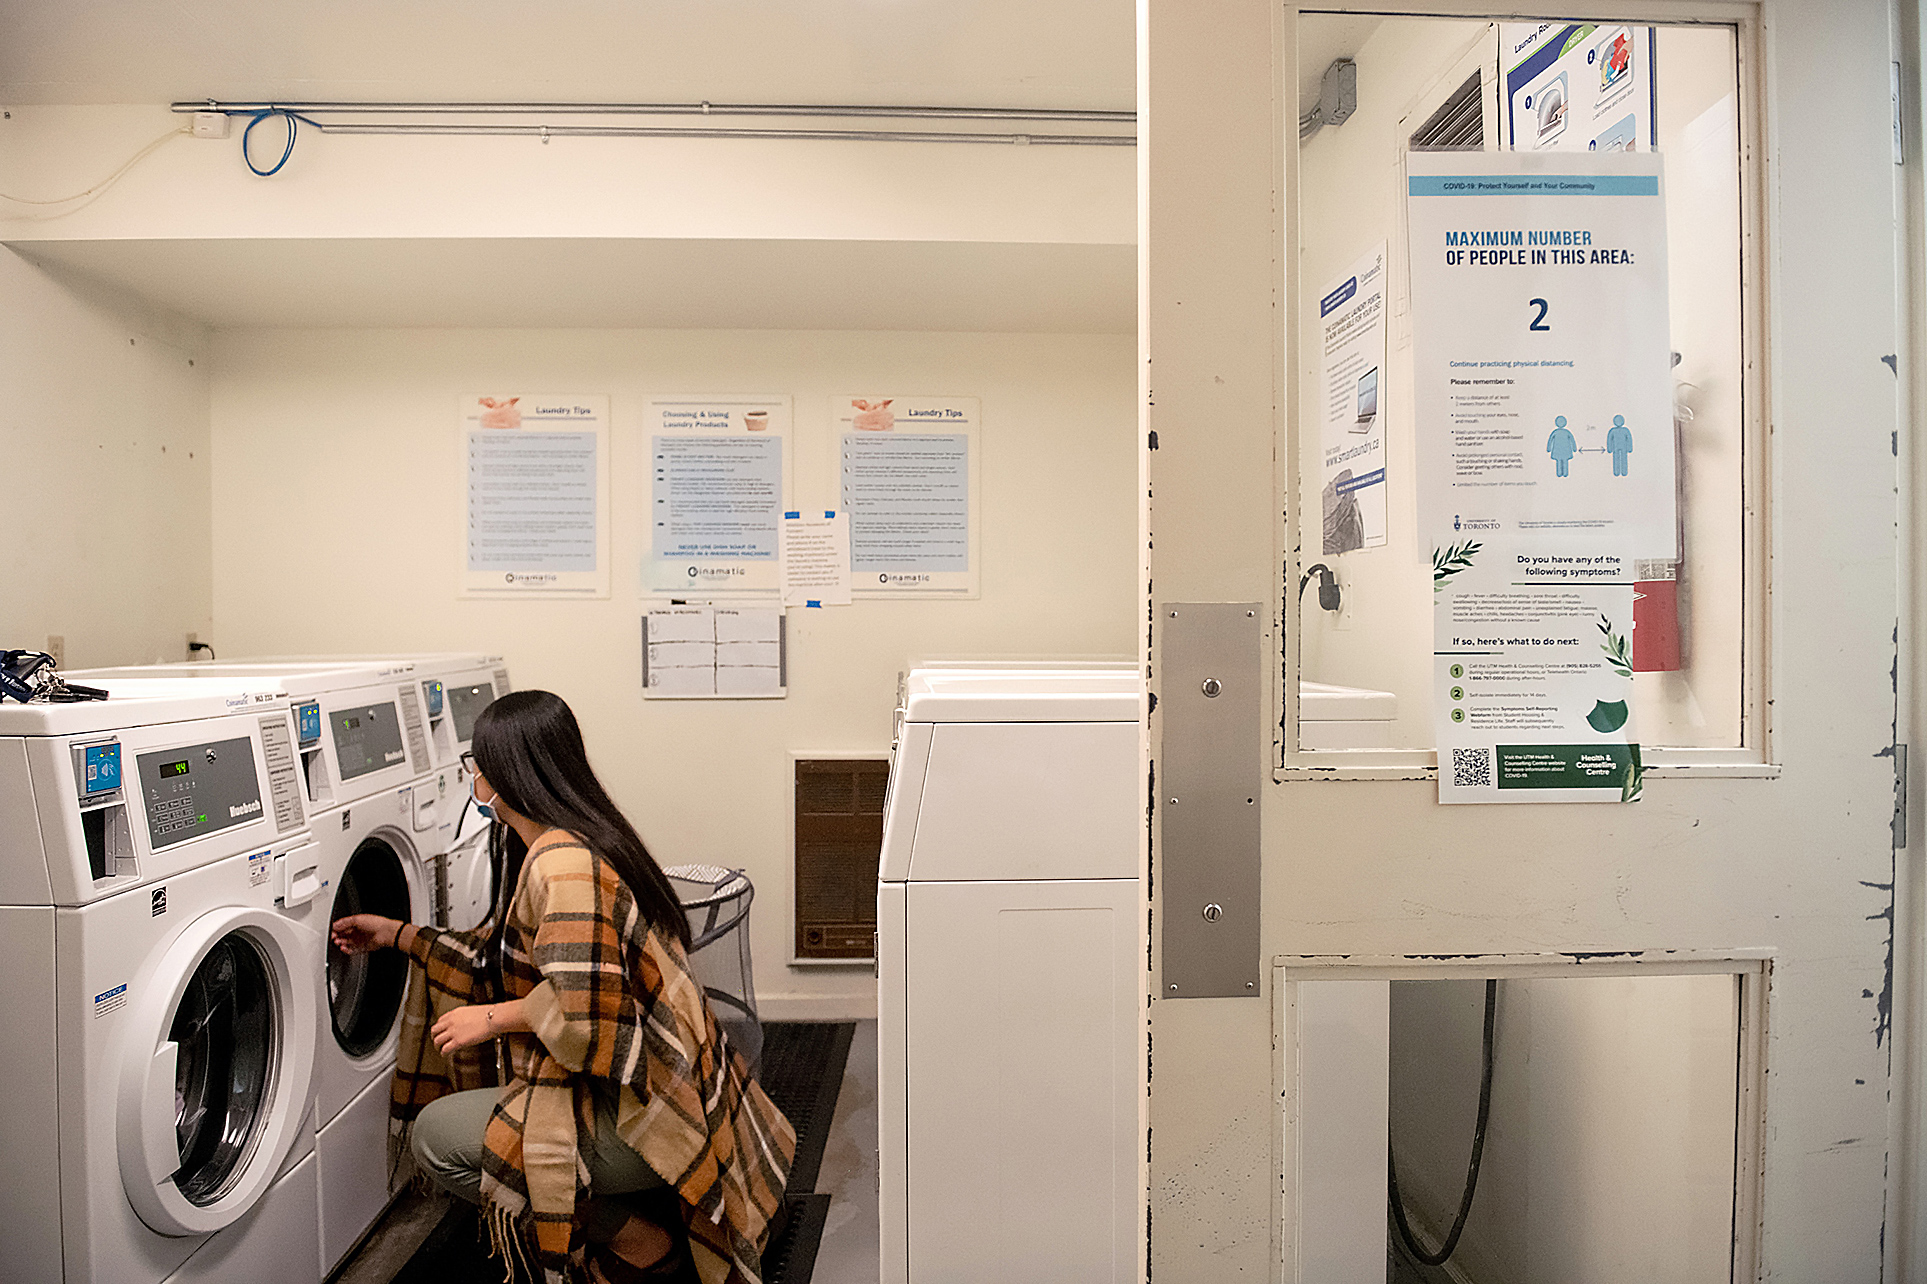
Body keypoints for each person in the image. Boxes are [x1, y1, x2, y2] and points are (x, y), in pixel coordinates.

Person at [331, 690, 794, 1284]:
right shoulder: (581, 836)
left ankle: (642, 1241)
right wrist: (396, 934)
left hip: (652, 1114)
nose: (474, 781)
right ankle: (651, 1212)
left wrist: (495, 1019)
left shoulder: (559, 867)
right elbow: (494, 955)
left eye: (476, 768)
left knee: (437, 1138)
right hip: (685, 1088)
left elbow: (589, 1019)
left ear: (498, 780)